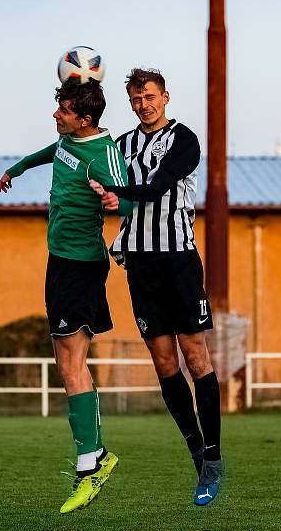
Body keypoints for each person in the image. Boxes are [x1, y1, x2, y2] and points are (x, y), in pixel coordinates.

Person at [88, 68, 223, 506]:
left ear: (165, 97)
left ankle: (216, 455)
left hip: (179, 262)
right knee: (165, 363)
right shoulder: (121, 145)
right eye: (136, 99)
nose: (143, 104)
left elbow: (158, 185)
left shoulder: (185, 140)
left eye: (149, 96)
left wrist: (114, 190)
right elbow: (101, 178)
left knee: (195, 356)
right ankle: (197, 455)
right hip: (142, 267)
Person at [0, 79, 131, 514]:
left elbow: (129, 199)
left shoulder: (104, 154)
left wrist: (115, 200)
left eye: (64, 111)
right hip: (59, 262)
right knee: (67, 363)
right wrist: (15, 169)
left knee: (73, 365)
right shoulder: (67, 140)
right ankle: (94, 457)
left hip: (81, 267)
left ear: (85, 119)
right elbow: (49, 153)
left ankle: (89, 466)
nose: (56, 115)